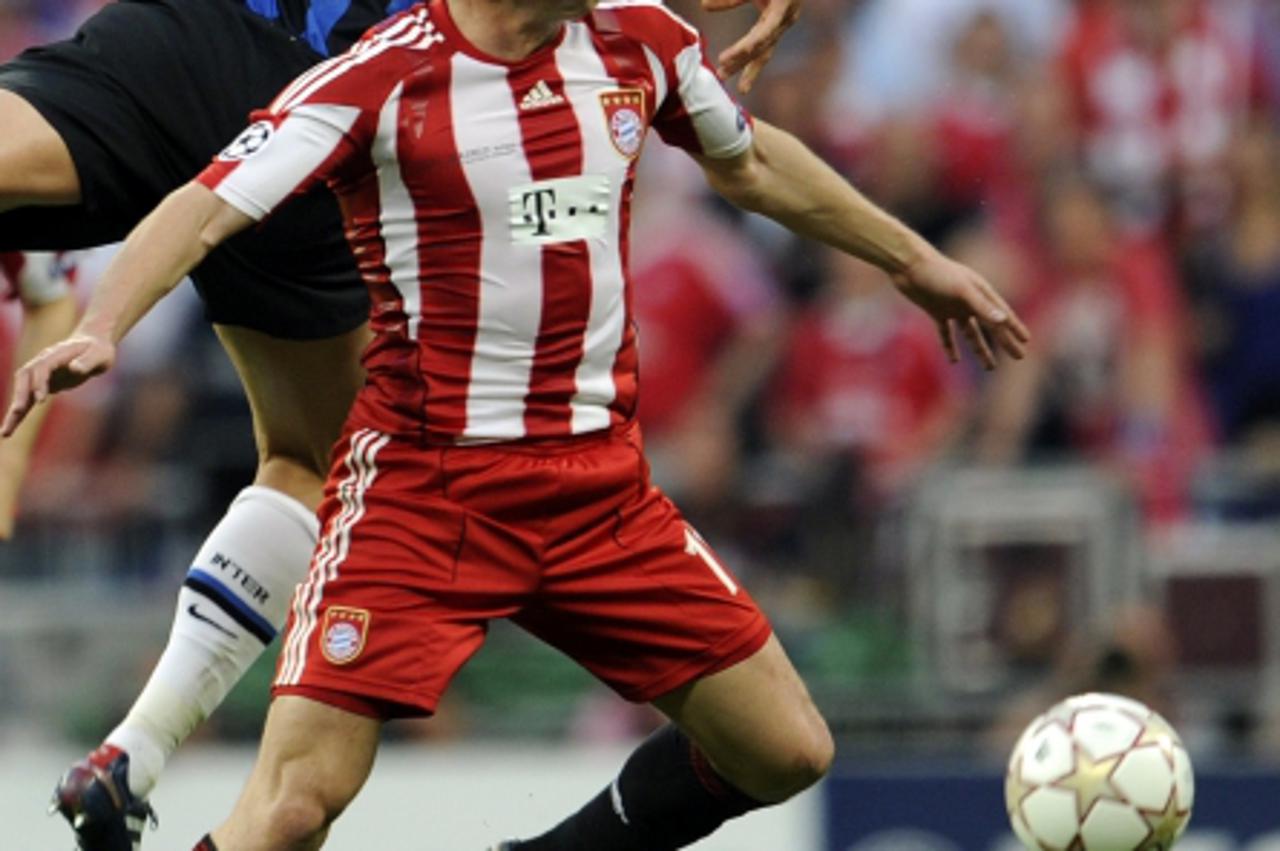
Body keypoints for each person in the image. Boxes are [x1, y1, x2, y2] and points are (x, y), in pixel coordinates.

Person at [5, 0, 1028, 849]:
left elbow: (750, 162)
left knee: (785, 747)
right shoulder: (384, 75)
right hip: (421, 492)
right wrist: (102, 325)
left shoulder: (639, 43)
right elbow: (205, 204)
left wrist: (909, 259)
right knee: (293, 806)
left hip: (599, 496)